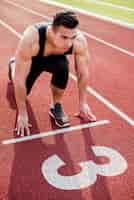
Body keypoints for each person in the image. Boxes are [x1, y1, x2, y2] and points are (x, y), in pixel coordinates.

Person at [8, 11, 96, 137]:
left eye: (73, 37)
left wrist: (83, 104)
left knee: (63, 66)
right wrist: (22, 113)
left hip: (56, 59)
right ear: (51, 31)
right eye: (64, 37)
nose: (69, 43)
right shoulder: (31, 39)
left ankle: (56, 105)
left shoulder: (79, 41)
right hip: (34, 59)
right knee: (19, 91)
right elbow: (20, 79)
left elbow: (82, 73)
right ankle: (13, 65)